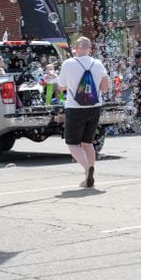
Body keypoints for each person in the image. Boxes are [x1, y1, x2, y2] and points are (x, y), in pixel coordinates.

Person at [57, 37, 110, 188]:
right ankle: (89, 175)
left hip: (75, 107)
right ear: (90, 49)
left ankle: (87, 169)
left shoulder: (69, 63)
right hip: (95, 107)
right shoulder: (98, 63)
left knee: (72, 144)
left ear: (76, 48)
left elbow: (61, 87)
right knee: (88, 142)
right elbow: (105, 88)